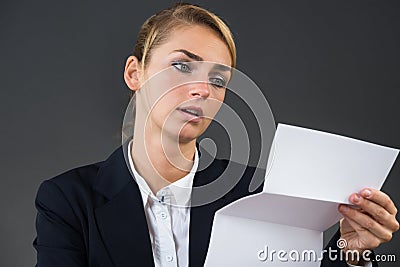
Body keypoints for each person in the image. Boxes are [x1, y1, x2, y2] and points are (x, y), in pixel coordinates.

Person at [33, 3, 399, 267]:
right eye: (181, 65)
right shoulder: (68, 200)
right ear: (135, 73)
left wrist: (352, 255)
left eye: (218, 80)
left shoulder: (256, 194)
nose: (202, 89)